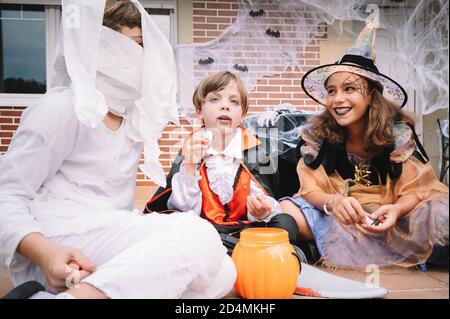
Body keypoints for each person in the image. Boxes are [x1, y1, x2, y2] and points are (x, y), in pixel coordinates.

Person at [0, 0, 235, 299]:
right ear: (97, 45)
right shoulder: (64, 108)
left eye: (144, 47)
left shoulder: (132, 120)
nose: (141, 57)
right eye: (133, 44)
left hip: (103, 245)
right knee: (197, 236)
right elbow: (6, 195)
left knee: (224, 270)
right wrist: (45, 254)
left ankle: (74, 293)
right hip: (58, 249)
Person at [279, 24, 449, 269]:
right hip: (339, 217)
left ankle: (316, 246)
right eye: (331, 91)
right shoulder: (319, 135)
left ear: (371, 95)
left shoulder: (397, 134)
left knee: (439, 216)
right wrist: (334, 203)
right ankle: (315, 243)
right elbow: (309, 188)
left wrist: (397, 210)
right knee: (285, 210)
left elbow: (417, 189)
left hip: (388, 217)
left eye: (350, 89)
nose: (338, 99)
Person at [145, 71, 302, 256]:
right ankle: (240, 253)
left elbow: (266, 199)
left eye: (234, 102)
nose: (225, 107)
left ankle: (218, 251)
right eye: (215, 99)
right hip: (202, 228)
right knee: (167, 225)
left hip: (244, 231)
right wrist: (188, 166)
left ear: (242, 115)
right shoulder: (191, 149)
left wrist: (261, 211)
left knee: (287, 224)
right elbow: (181, 208)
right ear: (199, 111)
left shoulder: (256, 150)